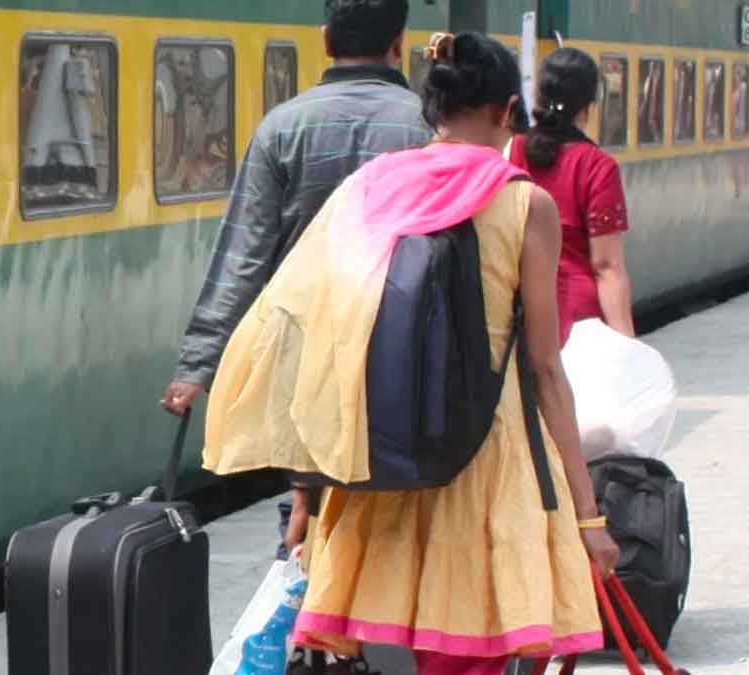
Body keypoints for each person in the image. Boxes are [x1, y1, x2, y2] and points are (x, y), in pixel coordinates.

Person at [202, 33, 619, 674]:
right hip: (489, 460)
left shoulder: (368, 189)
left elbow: (320, 337)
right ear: (509, 112)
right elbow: (544, 369)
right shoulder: (522, 202)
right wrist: (589, 519)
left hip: (382, 459)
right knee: (472, 654)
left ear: (432, 108)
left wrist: (309, 492)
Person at [159, 0, 431, 558]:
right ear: (399, 42)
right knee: (392, 505)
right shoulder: (425, 126)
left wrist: (197, 366)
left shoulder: (282, 127)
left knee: (308, 508)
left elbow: (244, 254)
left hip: (309, 351)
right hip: (404, 348)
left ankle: (306, 621)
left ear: (326, 39)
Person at [509, 48, 634, 346]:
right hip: (577, 322)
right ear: (589, 105)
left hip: (520, 309)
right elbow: (607, 267)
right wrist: (628, 345)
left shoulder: (515, 151)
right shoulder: (598, 166)